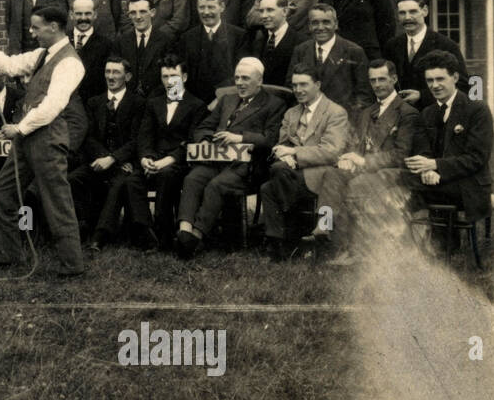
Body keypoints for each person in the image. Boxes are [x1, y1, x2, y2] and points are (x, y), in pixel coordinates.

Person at [0, 4, 85, 277]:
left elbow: (53, 106)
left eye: (36, 27)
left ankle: (72, 265)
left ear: (53, 27)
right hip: (27, 141)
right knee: (1, 193)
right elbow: (9, 66)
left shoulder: (69, 62)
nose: (32, 33)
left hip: (46, 140)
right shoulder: (43, 54)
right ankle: (9, 257)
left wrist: (19, 128)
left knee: (57, 202)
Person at [175, 57, 286, 258]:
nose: (240, 83)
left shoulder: (273, 104)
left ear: (259, 81)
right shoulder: (227, 100)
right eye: (237, 78)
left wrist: (239, 137)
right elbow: (204, 127)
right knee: (192, 179)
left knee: (216, 185)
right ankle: (184, 231)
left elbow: (270, 140)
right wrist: (205, 140)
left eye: (245, 78)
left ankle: (197, 236)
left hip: (247, 166)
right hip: (216, 158)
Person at [316, 58, 420, 266]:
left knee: (357, 185)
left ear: (394, 79)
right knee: (332, 174)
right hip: (367, 169)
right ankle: (325, 228)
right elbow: (357, 146)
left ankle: (355, 249)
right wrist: (349, 158)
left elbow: (400, 155)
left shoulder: (407, 113)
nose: (378, 85)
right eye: (373, 81)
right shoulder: (366, 112)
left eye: (382, 79)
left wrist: (362, 161)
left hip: (393, 173)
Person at [259, 64, 350, 261]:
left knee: (274, 180)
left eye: (303, 85)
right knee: (270, 183)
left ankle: (290, 237)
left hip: (322, 175)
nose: (298, 90)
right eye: (294, 85)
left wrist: (294, 153)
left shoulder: (335, 112)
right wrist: (285, 156)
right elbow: (280, 146)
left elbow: (332, 152)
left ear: (317, 85)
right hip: (291, 173)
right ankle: (280, 243)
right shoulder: (291, 113)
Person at [403, 50, 493, 225]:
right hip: (434, 180)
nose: (435, 85)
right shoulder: (427, 113)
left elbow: (477, 158)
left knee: (403, 192)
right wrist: (428, 170)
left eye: (440, 79)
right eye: (430, 80)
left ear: (455, 77)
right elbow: (423, 150)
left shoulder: (476, 110)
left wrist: (436, 165)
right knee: (392, 183)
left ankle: (436, 243)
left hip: (467, 184)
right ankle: (414, 243)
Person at [68, 57, 147, 250]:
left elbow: (136, 140)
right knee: (73, 180)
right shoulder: (94, 102)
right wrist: (105, 158)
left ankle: (100, 236)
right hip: (99, 160)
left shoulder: (138, 103)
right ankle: (83, 224)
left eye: (116, 72)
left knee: (118, 184)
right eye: (108, 72)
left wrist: (114, 159)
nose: (111, 77)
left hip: (126, 163)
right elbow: (89, 137)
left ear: (127, 76)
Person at [127, 55, 207, 246]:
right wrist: (146, 158)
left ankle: (164, 232)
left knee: (166, 175)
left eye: (174, 76)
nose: (169, 81)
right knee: (132, 180)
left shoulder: (197, 105)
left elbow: (190, 141)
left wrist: (168, 160)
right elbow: (144, 136)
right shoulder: (154, 103)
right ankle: (147, 231)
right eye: (165, 76)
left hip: (179, 164)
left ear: (184, 77)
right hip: (155, 159)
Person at [383, 0, 467, 108]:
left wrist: (422, 96)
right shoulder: (392, 46)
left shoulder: (446, 45)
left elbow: (461, 84)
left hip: (434, 115)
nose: (407, 17)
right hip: (400, 116)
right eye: (402, 13)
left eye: (413, 12)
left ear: (425, 11)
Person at [287, 4, 371, 112]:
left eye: (326, 22)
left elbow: (364, 95)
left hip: (343, 120)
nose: (320, 27)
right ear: (309, 26)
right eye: (315, 23)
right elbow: (291, 87)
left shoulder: (353, 51)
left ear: (335, 24)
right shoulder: (300, 50)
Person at [176, 0, 246, 106]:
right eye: (202, 7)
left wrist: (220, 98)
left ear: (222, 7)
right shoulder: (187, 38)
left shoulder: (238, 36)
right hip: (193, 104)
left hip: (226, 101)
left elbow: (240, 73)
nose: (206, 12)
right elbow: (180, 73)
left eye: (211, 7)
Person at [245, 0, 307, 90]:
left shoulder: (301, 42)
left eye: (270, 10)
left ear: (285, 11)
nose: (264, 16)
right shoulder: (256, 39)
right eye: (261, 11)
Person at [117, 0, 171, 97]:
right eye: (133, 13)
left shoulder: (166, 40)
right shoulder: (121, 41)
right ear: (129, 15)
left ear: (152, 12)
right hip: (129, 101)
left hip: (157, 100)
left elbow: (173, 76)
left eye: (143, 12)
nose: (138, 17)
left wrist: (173, 103)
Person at [69, 0, 115, 104]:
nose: (83, 18)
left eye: (88, 13)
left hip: (92, 105)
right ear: (71, 15)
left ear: (95, 15)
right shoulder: (62, 41)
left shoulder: (106, 45)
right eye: (79, 14)